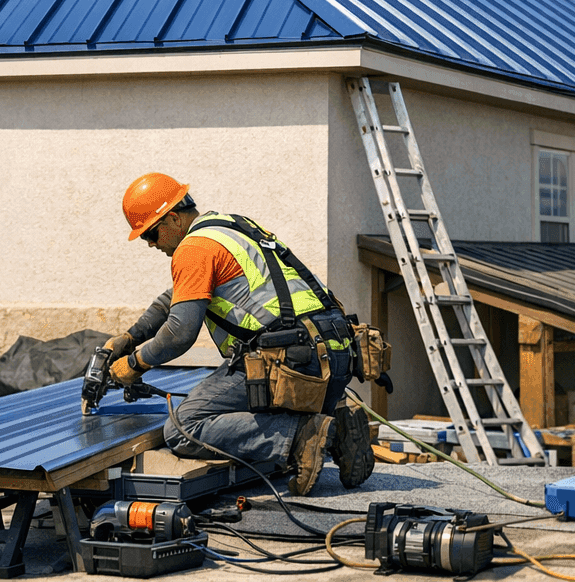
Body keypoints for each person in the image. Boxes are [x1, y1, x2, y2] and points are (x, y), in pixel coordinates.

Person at [94, 172, 374, 496]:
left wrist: (136, 363)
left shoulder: (193, 248)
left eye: (152, 234)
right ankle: (336, 417)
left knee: (184, 427)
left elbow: (180, 332)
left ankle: (303, 435)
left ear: (172, 217)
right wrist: (129, 336)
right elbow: (172, 300)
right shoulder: (232, 227)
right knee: (247, 406)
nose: (151, 244)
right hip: (334, 353)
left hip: (290, 359)